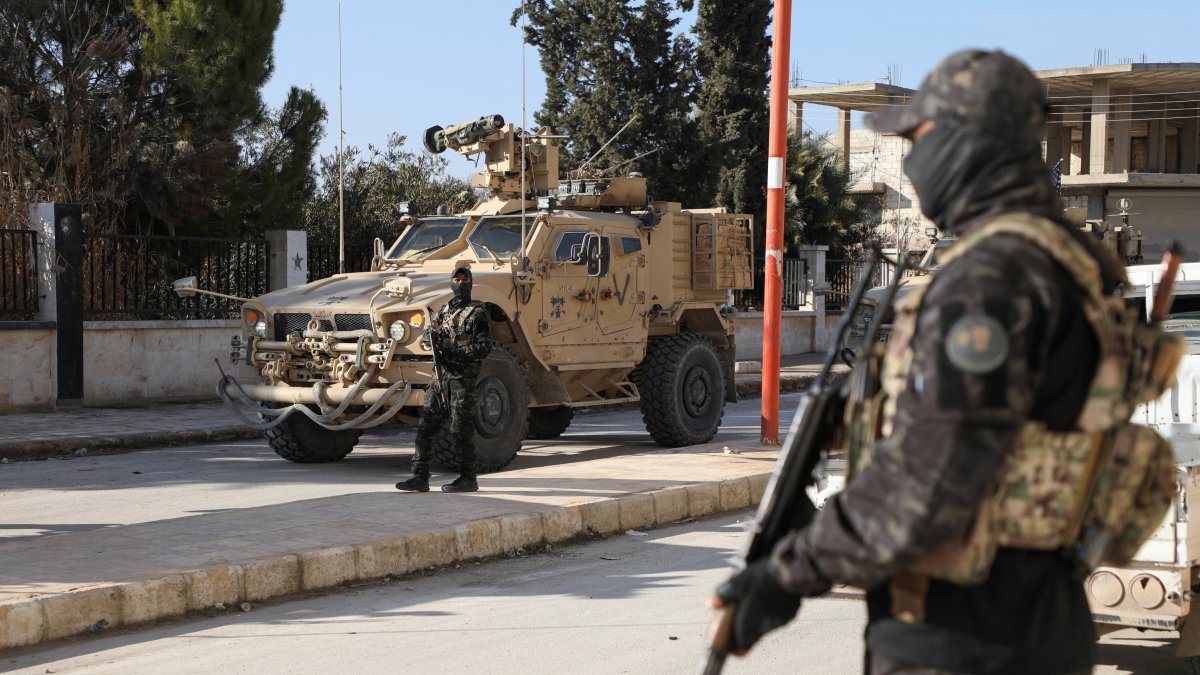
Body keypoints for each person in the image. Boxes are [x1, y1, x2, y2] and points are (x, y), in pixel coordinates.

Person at [713, 50, 1160, 674]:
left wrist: (785, 574)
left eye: (920, 138)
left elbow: (930, 481)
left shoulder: (989, 280)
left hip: (962, 637)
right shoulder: (1068, 265)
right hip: (1039, 621)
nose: (914, 159)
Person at [396, 266, 493, 493]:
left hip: (462, 379)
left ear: (470, 283)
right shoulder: (445, 310)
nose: (460, 283)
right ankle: (419, 476)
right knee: (426, 426)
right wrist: (433, 339)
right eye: (456, 279)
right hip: (440, 377)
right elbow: (432, 335)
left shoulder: (477, 312)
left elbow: (484, 347)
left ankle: (468, 478)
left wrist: (456, 353)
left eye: (464, 279)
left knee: (461, 429)